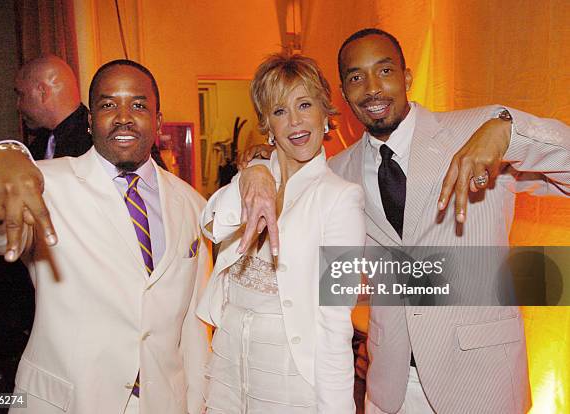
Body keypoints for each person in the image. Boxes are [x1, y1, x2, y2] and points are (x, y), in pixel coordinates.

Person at [238, 28, 570, 414]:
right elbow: (340, 278)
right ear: (344, 94)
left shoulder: (476, 131)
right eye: (356, 77)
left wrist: (509, 134)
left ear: (407, 77)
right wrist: (260, 164)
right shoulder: (337, 173)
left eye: (385, 70)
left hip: (481, 382)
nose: (373, 88)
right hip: (390, 388)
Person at [0, 59, 210, 414]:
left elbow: (194, 332)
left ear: (158, 120)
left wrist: (197, 405)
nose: (124, 116)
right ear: (90, 122)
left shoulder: (193, 205)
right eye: (108, 105)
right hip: (71, 403)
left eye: (138, 105)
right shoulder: (45, 186)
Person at [196, 53, 367, 413]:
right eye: (279, 111)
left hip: (287, 372)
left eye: (305, 105)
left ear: (325, 112)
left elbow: (334, 320)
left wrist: (337, 408)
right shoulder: (255, 178)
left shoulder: (341, 198)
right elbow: (211, 226)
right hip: (229, 361)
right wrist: (252, 173)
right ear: (267, 124)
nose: (295, 122)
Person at [14, 55, 93, 159]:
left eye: (21, 95)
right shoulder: (38, 146)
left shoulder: (96, 143)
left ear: (43, 92)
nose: (18, 105)